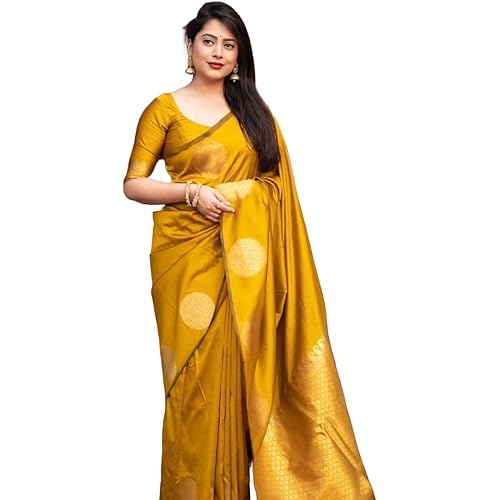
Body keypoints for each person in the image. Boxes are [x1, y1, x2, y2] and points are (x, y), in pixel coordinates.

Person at [123, 2, 376, 499]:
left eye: (229, 44)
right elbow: (134, 183)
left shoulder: (255, 115)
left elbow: (277, 189)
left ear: (240, 55)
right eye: (209, 41)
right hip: (187, 265)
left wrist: (239, 196)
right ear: (190, 47)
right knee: (193, 391)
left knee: (244, 388)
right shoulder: (163, 109)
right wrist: (192, 193)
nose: (218, 52)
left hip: (249, 273)